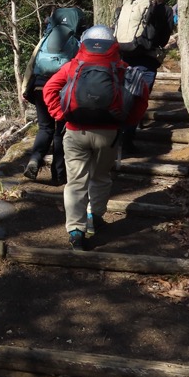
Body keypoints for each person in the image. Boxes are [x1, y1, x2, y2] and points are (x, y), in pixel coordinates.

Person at [42, 25, 150, 251]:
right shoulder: (122, 68)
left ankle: (75, 231)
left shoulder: (73, 66)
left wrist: (60, 115)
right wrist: (128, 123)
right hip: (108, 133)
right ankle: (96, 218)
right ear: (114, 45)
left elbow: (49, 89)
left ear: (84, 43)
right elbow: (141, 97)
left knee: (75, 182)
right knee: (100, 177)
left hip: (75, 130)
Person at [20, 7, 84, 185]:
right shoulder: (76, 42)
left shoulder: (45, 39)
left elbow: (31, 65)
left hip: (40, 87)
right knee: (61, 132)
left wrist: (25, 88)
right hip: (62, 90)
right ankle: (59, 175)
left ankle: (34, 159)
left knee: (44, 128)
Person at [118, 0, 173, 154]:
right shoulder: (165, 10)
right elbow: (164, 39)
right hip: (147, 61)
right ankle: (126, 143)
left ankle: (114, 140)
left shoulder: (126, 6)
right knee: (137, 102)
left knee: (121, 99)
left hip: (123, 58)